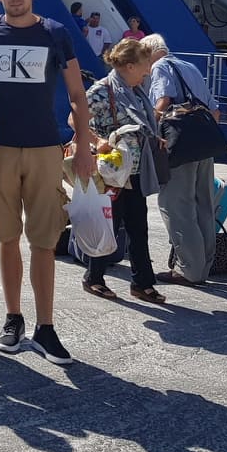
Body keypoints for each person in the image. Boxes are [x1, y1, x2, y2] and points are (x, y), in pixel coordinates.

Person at [0, 0, 95, 366]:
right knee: (7, 238)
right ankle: (13, 318)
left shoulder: (55, 33)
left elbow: (77, 94)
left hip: (44, 149)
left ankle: (46, 327)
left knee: (43, 240)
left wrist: (85, 147)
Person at [81, 40, 167, 303]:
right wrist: (98, 141)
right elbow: (75, 119)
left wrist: (153, 137)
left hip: (135, 170)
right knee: (108, 224)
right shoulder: (101, 90)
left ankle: (142, 283)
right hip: (113, 171)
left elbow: (141, 124)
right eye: (145, 65)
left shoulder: (135, 91)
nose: (148, 71)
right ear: (130, 66)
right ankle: (93, 278)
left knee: (138, 227)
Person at [143, 34, 218, 285]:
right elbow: (214, 109)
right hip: (203, 142)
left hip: (179, 144)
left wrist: (148, 130)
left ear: (149, 53)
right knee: (203, 203)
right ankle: (204, 265)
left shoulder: (159, 67)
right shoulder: (190, 67)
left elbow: (163, 100)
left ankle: (190, 269)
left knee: (175, 205)